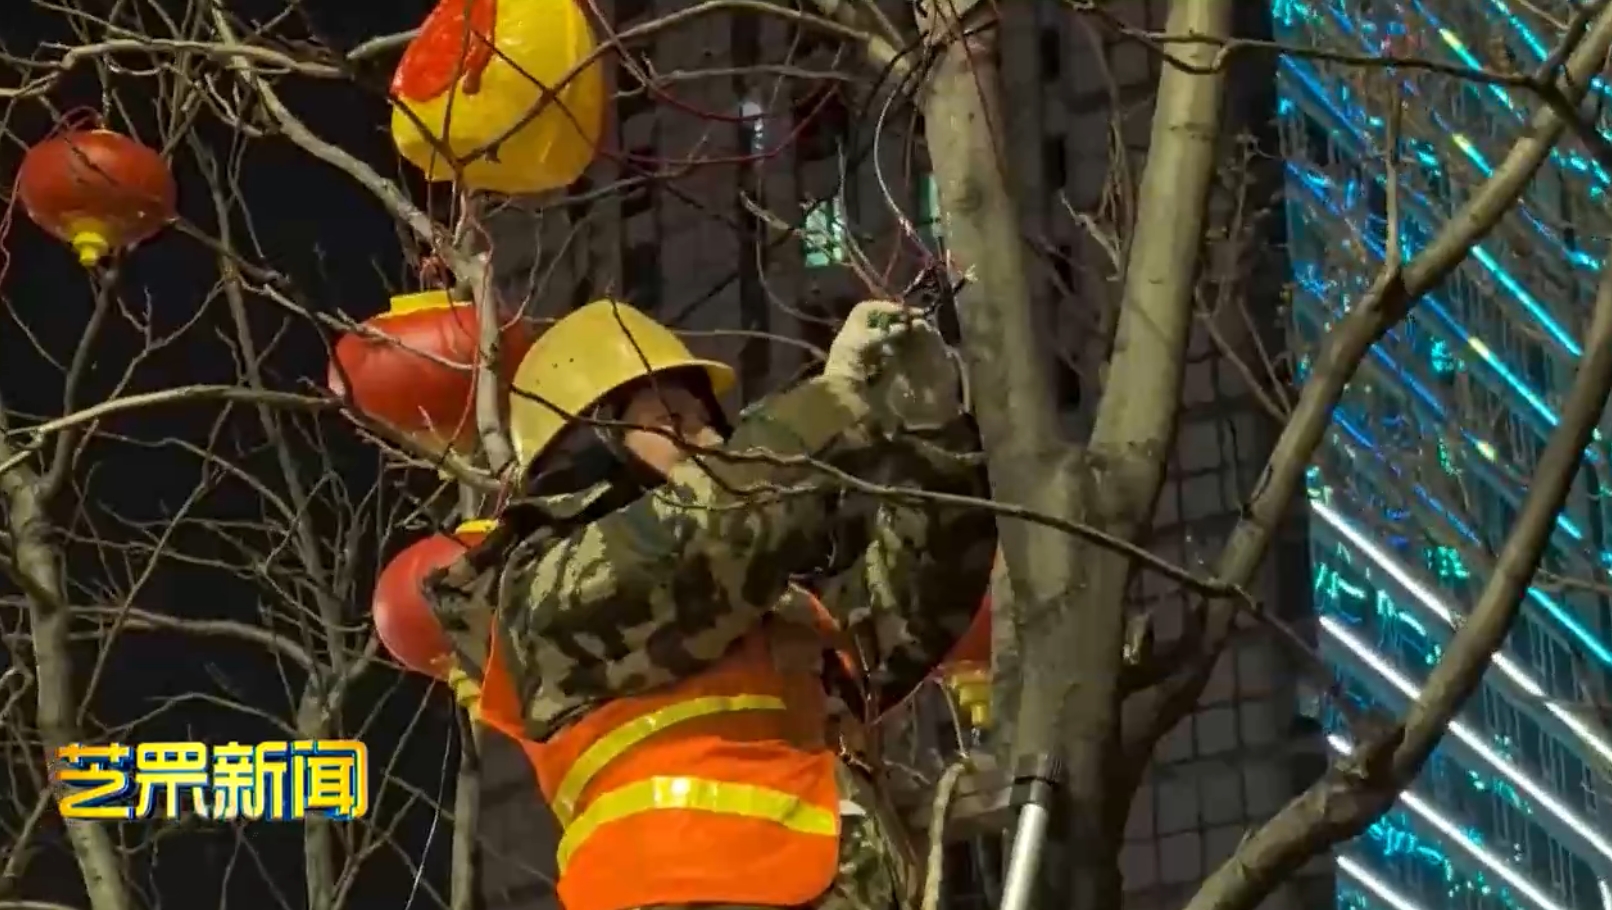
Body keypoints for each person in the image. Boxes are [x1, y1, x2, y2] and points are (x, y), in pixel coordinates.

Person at [426, 298, 996, 910]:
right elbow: (706, 535)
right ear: (588, 445)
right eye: (672, 419)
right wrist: (833, 403)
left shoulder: (778, 616)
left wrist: (934, 435)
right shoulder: (546, 598)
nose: (708, 438)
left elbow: (915, 602)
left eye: (708, 421)